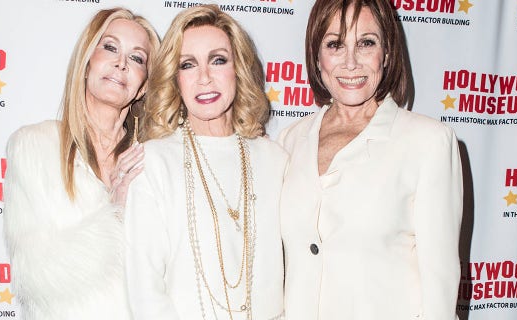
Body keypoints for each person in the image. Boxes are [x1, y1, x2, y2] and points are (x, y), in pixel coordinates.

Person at [278, 0, 463, 319]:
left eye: (366, 43)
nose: (351, 62)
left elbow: (440, 285)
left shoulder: (428, 142)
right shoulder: (288, 141)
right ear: (316, 56)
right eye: (335, 44)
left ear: (387, 54)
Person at [124, 4, 286, 320]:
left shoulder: (276, 161)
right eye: (188, 64)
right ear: (175, 78)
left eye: (218, 60)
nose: (204, 78)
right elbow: (145, 294)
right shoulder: (155, 163)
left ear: (239, 68)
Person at [3, 7, 159, 320]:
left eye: (137, 58)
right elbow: (34, 274)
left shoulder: (155, 158)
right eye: (110, 47)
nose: (121, 63)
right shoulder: (34, 148)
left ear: (143, 85)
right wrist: (115, 213)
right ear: (87, 62)